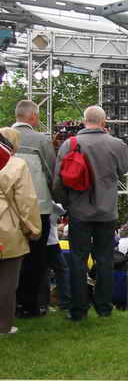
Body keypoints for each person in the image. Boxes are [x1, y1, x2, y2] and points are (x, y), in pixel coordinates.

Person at [53, 105, 128, 321]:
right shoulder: (117, 145)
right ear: (103, 122)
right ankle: (104, 307)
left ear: (83, 121)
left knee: (78, 260)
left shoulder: (70, 145)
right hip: (107, 212)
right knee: (105, 259)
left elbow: (58, 182)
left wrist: (67, 203)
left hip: (78, 212)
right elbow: (124, 170)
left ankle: (78, 309)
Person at [12, 100, 57, 318]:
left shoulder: (3, 137)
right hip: (39, 209)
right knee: (36, 259)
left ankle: (11, 304)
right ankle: (30, 305)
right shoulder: (41, 140)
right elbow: (51, 172)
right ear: (32, 117)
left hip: (9, 210)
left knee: (10, 258)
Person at [0, 128, 42, 335]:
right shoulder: (17, 164)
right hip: (7, 226)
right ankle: (3, 325)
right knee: (7, 281)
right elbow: (26, 201)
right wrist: (33, 228)